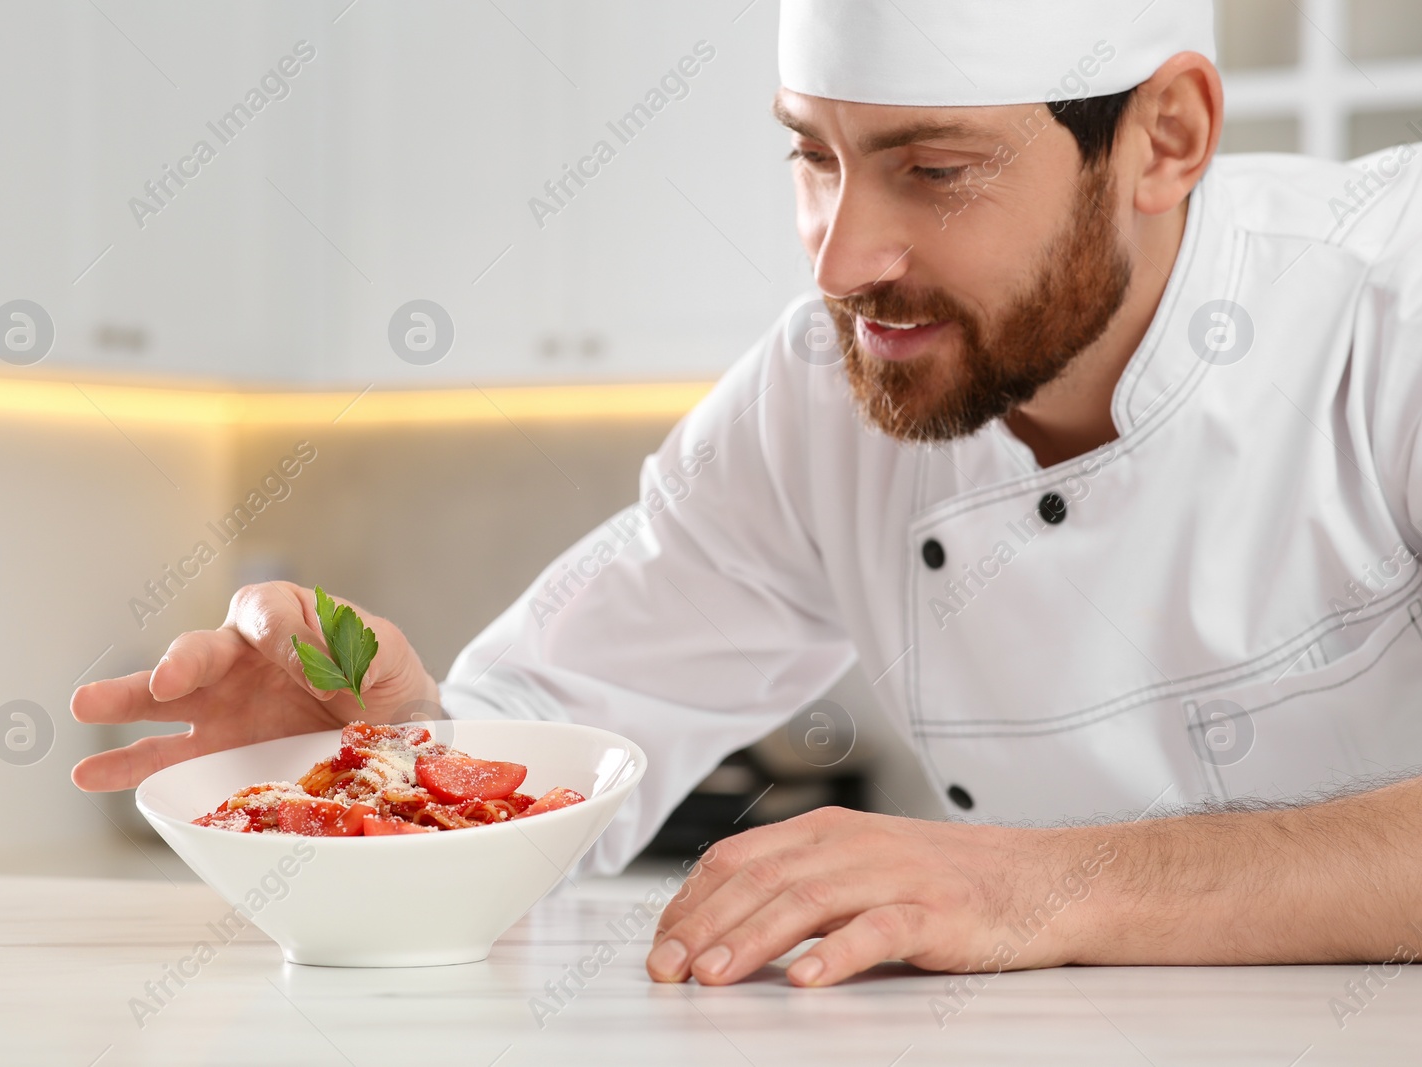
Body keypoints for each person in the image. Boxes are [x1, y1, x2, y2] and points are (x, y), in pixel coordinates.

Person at [72, 0, 1422, 989]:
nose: (841, 259)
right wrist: (387, 762)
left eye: (934, 171)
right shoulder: (817, 399)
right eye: (813, 157)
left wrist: (1035, 883)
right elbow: (545, 742)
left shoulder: (1388, 300)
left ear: (1164, 139)